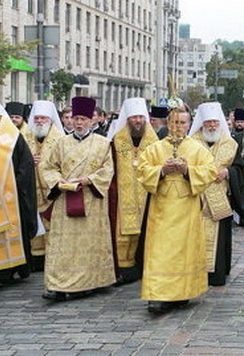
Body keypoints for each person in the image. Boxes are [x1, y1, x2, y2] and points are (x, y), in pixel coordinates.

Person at [137, 107, 217, 314]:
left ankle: (183, 291)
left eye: (182, 123)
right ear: (168, 123)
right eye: (174, 123)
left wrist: (187, 170)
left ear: (189, 124)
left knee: (184, 251)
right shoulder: (155, 148)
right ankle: (157, 294)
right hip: (161, 209)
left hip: (186, 208)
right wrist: (162, 170)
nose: (178, 127)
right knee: (159, 251)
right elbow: (142, 170)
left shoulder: (197, 149)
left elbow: (210, 172)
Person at [39, 97, 115, 301]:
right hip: (65, 198)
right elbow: (47, 167)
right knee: (61, 244)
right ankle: (57, 284)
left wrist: (89, 179)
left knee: (89, 243)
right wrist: (58, 180)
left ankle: (91, 280)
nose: (79, 123)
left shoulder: (103, 144)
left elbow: (108, 171)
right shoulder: (60, 143)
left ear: (92, 120)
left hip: (91, 200)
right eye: (76, 118)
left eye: (83, 119)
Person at [190, 102, 244, 287]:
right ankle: (196, 272)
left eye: (214, 122)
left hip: (220, 197)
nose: (212, 126)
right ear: (202, 123)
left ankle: (217, 273)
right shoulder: (191, 143)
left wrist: (228, 173)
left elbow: (239, 168)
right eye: (208, 123)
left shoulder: (230, 143)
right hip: (197, 197)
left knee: (219, 237)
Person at [106, 98, 159, 286]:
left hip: (147, 197)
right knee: (121, 232)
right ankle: (121, 269)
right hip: (122, 198)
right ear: (127, 119)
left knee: (146, 230)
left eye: (140, 117)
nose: (137, 121)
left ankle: (142, 266)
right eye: (134, 117)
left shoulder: (154, 142)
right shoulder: (116, 141)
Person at [0, 95, 38, 287]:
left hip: (10, 194)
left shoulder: (10, 135)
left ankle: (6, 271)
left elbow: (26, 164)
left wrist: (14, 185)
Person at [26, 100, 65, 272]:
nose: (39, 121)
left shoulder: (60, 139)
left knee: (52, 226)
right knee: (35, 225)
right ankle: (36, 260)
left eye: (43, 118)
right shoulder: (25, 137)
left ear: (50, 119)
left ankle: (53, 258)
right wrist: (29, 162)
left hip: (52, 192)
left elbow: (65, 163)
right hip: (31, 190)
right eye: (37, 118)